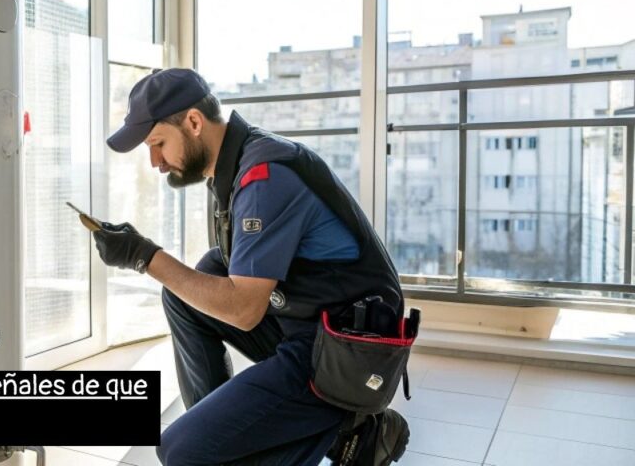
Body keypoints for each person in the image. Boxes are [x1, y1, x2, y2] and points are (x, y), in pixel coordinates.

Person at [92, 68, 411, 466]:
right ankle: (234, 435)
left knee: (181, 451)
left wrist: (144, 256)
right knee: (194, 285)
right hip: (310, 322)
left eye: (158, 143)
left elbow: (243, 311)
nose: (156, 162)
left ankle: (351, 429)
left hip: (346, 348)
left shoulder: (264, 177)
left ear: (193, 122)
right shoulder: (236, 165)